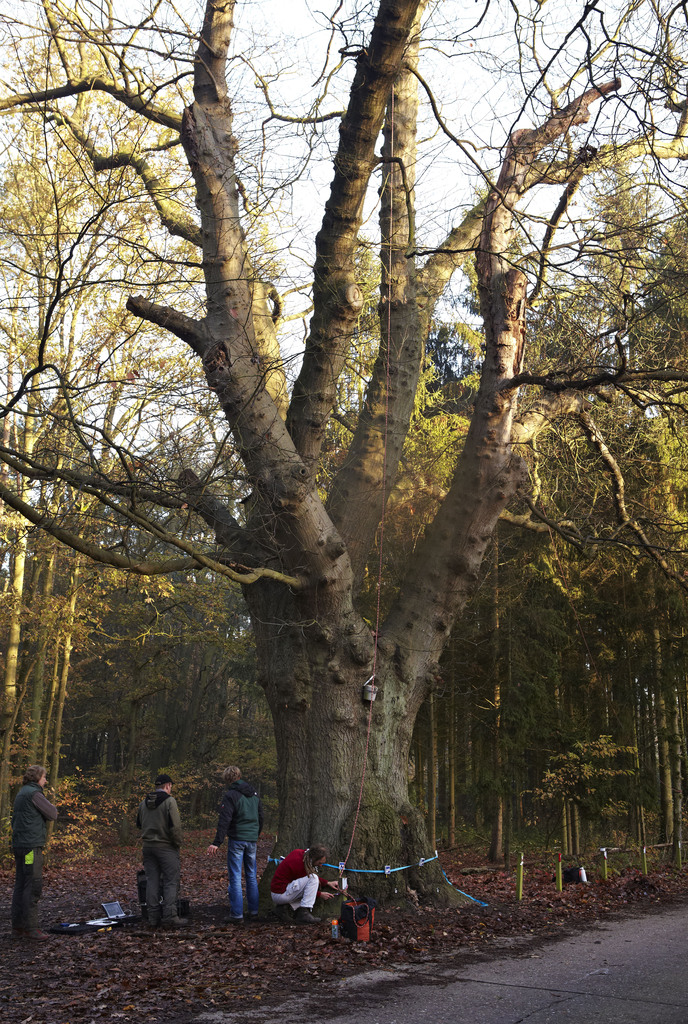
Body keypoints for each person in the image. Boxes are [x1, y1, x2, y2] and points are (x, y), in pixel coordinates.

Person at [206, 765, 264, 923]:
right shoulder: (254, 794)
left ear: (227, 779)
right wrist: (255, 834)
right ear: (239, 776)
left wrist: (217, 842)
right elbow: (261, 817)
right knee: (251, 876)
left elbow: (225, 819)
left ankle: (237, 914)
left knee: (236, 877)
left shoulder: (231, 795)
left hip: (237, 839)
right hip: (251, 839)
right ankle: (253, 911)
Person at [11, 764, 59, 939]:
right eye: (44, 777)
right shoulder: (34, 794)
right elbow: (52, 814)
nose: (45, 781)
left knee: (21, 883)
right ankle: (31, 928)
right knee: (32, 884)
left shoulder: (21, 793)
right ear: (37, 778)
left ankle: (18, 927)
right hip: (30, 848)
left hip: (19, 845)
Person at [136, 772, 186, 928]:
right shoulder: (170, 801)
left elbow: (139, 824)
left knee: (152, 881)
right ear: (168, 786)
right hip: (166, 847)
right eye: (171, 786)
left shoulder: (143, 803)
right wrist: (177, 843)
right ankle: (170, 916)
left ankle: (152, 917)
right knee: (171, 881)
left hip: (148, 847)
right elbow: (175, 827)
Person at [270, 845, 339, 924]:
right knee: (313, 878)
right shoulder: (299, 864)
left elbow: (304, 881)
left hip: (280, 892)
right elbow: (309, 882)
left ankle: (282, 909)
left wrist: (327, 883)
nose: (321, 865)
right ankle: (303, 913)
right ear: (314, 858)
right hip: (280, 894)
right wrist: (319, 894)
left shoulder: (300, 853)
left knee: (312, 878)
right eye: (320, 863)